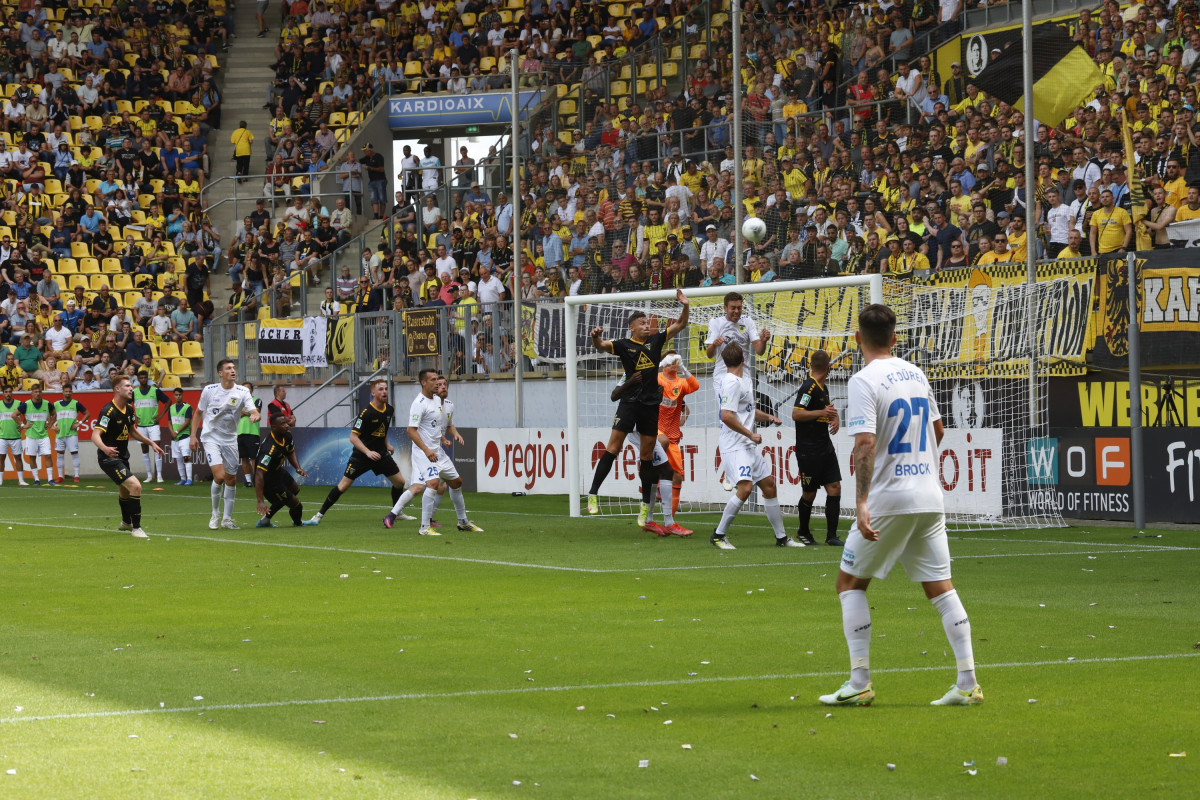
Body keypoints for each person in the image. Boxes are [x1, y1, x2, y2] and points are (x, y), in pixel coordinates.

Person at [818, 303, 982, 707]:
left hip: (890, 498)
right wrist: (918, 464)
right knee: (941, 587)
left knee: (849, 583)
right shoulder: (916, 373)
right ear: (894, 338)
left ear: (857, 339)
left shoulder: (863, 380)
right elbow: (938, 431)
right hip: (928, 495)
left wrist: (861, 501)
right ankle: (967, 682)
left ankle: (859, 682)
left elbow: (865, 443)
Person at [585, 288, 691, 517]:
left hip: (650, 406)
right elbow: (601, 345)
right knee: (613, 448)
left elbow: (681, 324)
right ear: (632, 327)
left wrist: (685, 305)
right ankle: (592, 494)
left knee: (647, 456)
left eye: (647, 322)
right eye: (642, 323)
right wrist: (595, 337)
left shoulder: (656, 340)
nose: (647, 325)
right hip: (630, 403)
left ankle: (645, 507)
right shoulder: (624, 345)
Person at [709, 342, 800, 550]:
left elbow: (748, 410)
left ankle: (781, 538)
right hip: (735, 444)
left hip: (746, 443)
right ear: (743, 359)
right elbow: (726, 416)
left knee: (769, 486)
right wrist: (750, 433)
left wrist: (768, 417)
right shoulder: (731, 382)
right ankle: (718, 535)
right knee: (746, 488)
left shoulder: (744, 380)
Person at [392, 369, 483, 536]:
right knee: (432, 483)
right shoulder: (419, 403)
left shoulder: (439, 402)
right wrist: (426, 449)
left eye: (439, 380)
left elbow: (438, 425)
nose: (437, 383)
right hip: (424, 452)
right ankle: (424, 527)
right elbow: (411, 430)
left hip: (438, 451)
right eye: (433, 380)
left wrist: (446, 438)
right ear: (424, 382)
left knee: (456, 482)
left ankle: (463, 522)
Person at [308, 378, 407, 524]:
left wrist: (387, 445)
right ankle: (318, 516)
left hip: (381, 454)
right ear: (373, 393)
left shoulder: (389, 409)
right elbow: (353, 437)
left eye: (386, 389)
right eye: (380, 389)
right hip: (362, 456)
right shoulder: (365, 413)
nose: (384, 392)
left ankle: (396, 513)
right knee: (343, 486)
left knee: (400, 482)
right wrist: (367, 452)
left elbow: (383, 430)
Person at [609, 373, 690, 537]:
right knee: (665, 468)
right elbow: (615, 395)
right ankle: (666, 522)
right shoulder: (633, 376)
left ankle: (650, 519)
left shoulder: (653, 378)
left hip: (646, 428)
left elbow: (681, 406)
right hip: (638, 430)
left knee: (661, 470)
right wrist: (632, 383)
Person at [705, 292, 770, 490]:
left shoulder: (747, 322)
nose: (736, 311)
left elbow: (759, 350)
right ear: (725, 307)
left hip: (745, 376)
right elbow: (709, 354)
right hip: (723, 377)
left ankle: (743, 457)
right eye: (733, 308)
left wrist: (764, 341)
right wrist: (714, 344)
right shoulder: (716, 323)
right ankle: (729, 469)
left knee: (746, 414)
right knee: (727, 416)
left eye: (739, 307)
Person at [190, 359, 261, 530]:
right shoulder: (209, 390)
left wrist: (255, 415)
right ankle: (215, 514)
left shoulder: (243, 391)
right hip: (211, 437)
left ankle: (227, 519)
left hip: (230, 439)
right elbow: (198, 412)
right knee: (220, 476)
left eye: (234, 368)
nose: (233, 370)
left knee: (231, 479)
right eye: (228, 368)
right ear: (220, 373)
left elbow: (253, 410)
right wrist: (193, 436)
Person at [92, 374, 164, 539]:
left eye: (131, 386)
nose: (131, 388)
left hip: (122, 457)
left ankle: (126, 522)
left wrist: (151, 443)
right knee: (136, 486)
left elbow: (132, 430)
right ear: (117, 389)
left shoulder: (129, 408)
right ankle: (136, 528)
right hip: (109, 458)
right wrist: (105, 448)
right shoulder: (108, 411)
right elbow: (95, 435)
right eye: (127, 386)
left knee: (124, 491)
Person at [792, 349, 844, 547]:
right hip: (809, 449)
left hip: (825, 447)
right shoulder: (809, 387)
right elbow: (796, 414)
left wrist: (835, 418)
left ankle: (831, 536)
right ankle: (803, 531)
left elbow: (828, 409)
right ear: (829, 367)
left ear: (810, 365)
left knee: (834, 486)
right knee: (810, 493)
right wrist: (821, 412)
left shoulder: (823, 388)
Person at [253, 410, 319, 528]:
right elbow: (259, 473)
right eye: (283, 424)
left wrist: (297, 467)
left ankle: (264, 521)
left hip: (277, 472)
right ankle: (298, 523)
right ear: (274, 427)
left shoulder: (286, 435)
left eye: (286, 422)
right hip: (268, 480)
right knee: (296, 505)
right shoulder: (269, 448)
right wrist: (260, 501)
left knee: (294, 489)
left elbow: (290, 451)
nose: (287, 425)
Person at [656, 350, 699, 520]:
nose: (674, 363)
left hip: (673, 436)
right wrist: (659, 364)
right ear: (664, 364)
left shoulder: (681, 383)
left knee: (678, 478)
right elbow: (644, 377)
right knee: (661, 441)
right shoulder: (657, 378)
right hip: (655, 430)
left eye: (676, 360)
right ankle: (654, 483)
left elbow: (695, 386)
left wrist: (683, 368)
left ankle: (670, 521)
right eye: (671, 360)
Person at [131, 369, 170, 483]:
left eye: (145, 378)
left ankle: (159, 476)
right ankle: (149, 475)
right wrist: (134, 416)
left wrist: (161, 415)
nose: (143, 380)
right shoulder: (134, 392)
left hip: (153, 424)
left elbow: (168, 401)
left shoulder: (155, 390)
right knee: (144, 450)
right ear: (138, 379)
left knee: (157, 448)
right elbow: (126, 404)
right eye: (141, 378)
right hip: (141, 425)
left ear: (147, 379)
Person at [17, 382, 53, 484]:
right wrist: (23, 425)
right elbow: (14, 415)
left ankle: (50, 479)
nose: (38, 393)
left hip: (43, 435)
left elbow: (54, 413)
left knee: (48, 455)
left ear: (41, 393)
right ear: (32, 393)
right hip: (31, 436)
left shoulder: (47, 403)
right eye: (36, 392)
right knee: (32, 457)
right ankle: (36, 479)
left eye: (39, 391)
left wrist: (50, 423)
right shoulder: (26, 404)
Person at [52, 383, 86, 484]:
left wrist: (79, 423)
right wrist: (52, 426)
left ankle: (76, 476)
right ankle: (60, 476)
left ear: (72, 392)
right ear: (62, 392)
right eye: (66, 391)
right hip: (60, 434)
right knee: (60, 455)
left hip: (72, 434)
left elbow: (87, 414)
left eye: (70, 391)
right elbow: (49, 415)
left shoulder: (76, 403)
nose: (68, 393)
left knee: (74, 453)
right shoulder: (56, 404)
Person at [236, 381, 263, 488]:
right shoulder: (238, 402)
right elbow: (236, 413)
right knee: (244, 458)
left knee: (254, 458)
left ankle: (256, 479)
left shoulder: (257, 400)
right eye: (244, 389)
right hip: (240, 432)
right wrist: (249, 411)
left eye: (248, 389)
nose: (246, 391)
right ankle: (248, 481)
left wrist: (244, 411)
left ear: (252, 390)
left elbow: (256, 412)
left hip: (253, 433)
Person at [0, 384, 29, 485]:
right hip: (2, 436)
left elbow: (27, 414)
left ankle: (21, 480)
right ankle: (0, 480)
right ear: (3, 394)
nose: (8, 394)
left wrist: (23, 424)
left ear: (12, 392)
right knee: (1, 458)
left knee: (18, 458)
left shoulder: (19, 403)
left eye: (9, 392)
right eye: (6, 392)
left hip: (15, 436)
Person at [167, 387, 194, 485]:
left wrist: (177, 431)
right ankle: (182, 479)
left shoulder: (187, 407)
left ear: (182, 395)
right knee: (178, 459)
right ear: (173, 396)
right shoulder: (171, 408)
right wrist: (172, 432)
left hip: (184, 436)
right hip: (174, 438)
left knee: (186, 457)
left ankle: (189, 479)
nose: (178, 396)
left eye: (180, 395)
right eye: (176, 395)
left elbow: (187, 422)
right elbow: (169, 422)